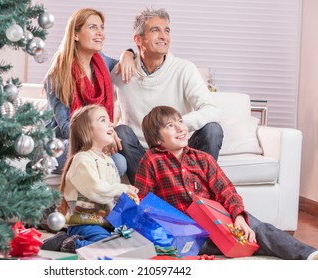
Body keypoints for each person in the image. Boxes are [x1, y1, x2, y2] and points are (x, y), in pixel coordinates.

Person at [134, 105, 318, 260]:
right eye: (170, 125)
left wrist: (238, 216)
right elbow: (143, 201)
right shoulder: (152, 160)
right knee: (189, 244)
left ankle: (308, 255)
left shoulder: (203, 159)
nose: (180, 128)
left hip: (217, 219)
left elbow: (226, 190)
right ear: (158, 139)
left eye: (180, 121)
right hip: (185, 229)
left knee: (258, 229)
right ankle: (242, 245)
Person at [111, 7, 223, 184]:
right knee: (121, 131)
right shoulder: (122, 72)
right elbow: (98, 105)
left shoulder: (184, 69)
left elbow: (213, 110)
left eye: (167, 30)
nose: (163, 36)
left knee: (213, 129)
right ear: (138, 39)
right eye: (155, 30)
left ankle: (196, 193)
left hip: (180, 151)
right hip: (144, 155)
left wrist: (175, 126)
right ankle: (155, 194)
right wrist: (126, 54)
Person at [43, 8, 135, 176]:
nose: (100, 33)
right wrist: (101, 136)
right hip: (60, 143)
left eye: (102, 27)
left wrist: (128, 53)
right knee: (116, 163)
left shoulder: (103, 62)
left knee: (119, 162)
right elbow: (66, 127)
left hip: (93, 139)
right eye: (93, 27)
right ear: (76, 35)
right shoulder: (58, 74)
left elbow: (126, 63)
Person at [41, 105, 139, 253]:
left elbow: (110, 196)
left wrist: (127, 197)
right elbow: (96, 190)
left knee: (132, 244)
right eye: (103, 120)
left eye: (109, 120)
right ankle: (67, 243)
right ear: (87, 130)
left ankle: (95, 242)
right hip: (85, 223)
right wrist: (123, 188)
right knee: (110, 250)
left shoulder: (108, 160)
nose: (110, 124)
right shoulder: (82, 159)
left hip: (106, 224)